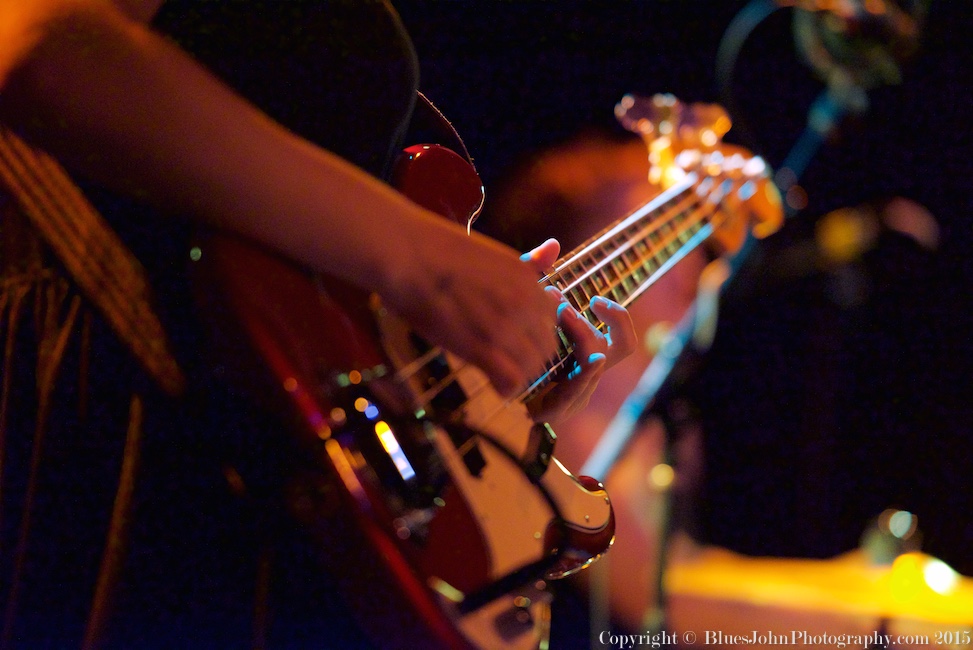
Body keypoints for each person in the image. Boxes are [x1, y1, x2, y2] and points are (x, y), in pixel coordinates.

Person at [0, 1, 635, 647]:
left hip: (265, 451)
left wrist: (471, 392)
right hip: (126, 417)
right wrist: (422, 259)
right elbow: (39, 43)